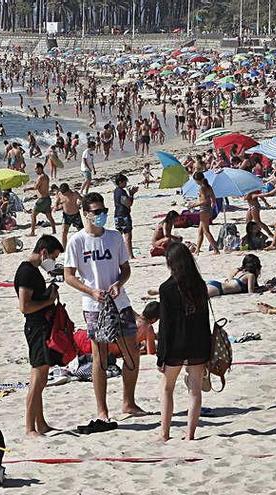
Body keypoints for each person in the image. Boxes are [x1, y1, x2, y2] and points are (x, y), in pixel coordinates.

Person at [64, 192, 144, 433]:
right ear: (86, 214)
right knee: (100, 357)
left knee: (132, 351)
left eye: (103, 211)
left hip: (119, 302)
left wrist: (119, 284)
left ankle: (129, 402)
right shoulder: (77, 241)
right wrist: (90, 291)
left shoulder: (114, 237)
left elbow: (125, 269)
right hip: (94, 306)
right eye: (96, 212)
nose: (101, 215)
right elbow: (69, 276)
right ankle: (102, 410)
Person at [157, 242, 211, 442]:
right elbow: (205, 320)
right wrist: (207, 349)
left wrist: (161, 355)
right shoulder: (200, 285)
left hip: (175, 345)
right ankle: (190, 435)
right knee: (195, 390)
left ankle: (164, 434)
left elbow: (165, 327)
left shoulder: (167, 288)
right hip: (198, 343)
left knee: (166, 388)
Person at [15, 234, 64, 437]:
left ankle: (40, 423)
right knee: (37, 377)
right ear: (43, 252)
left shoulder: (33, 270)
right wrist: (48, 301)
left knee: (41, 377)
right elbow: (24, 306)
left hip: (41, 325)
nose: (52, 262)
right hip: (35, 327)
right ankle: (29, 427)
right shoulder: (26, 272)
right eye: (52, 257)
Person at [187, 172, 220, 254]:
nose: (196, 183)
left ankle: (216, 249)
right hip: (208, 210)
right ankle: (197, 249)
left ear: (198, 180)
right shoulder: (209, 187)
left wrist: (194, 205)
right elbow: (213, 200)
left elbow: (204, 201)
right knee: (200, 230)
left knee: (206, 231)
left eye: (196, 181)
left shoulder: (202, 188)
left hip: (204, 210)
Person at [113, 174, 138, 259]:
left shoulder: (116, 191)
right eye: (125, 182)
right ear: (120, 182)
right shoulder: (121, 191)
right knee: (127, 235)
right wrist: (131, 194)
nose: (126, 184)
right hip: (123, 215)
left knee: (118, 236)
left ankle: (116, 254)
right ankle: (130, 255)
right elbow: (128, 203)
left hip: (117, 215)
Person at [28, 163, 56, 236]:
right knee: (49, 216)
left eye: (36, 168)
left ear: (40, 168)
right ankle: (54, 230)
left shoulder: (41, 177)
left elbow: (36, 187)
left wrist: (27, 188)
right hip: (47, 199)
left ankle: (32, 232)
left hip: (42, 200)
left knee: (33, 215)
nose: (35, 170)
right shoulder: (46, 176)